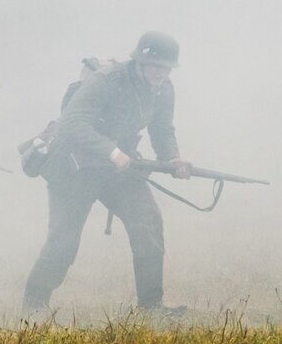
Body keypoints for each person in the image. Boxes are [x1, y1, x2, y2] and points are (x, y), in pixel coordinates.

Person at [23, 31, 191, 313]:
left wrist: (173, 158)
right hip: (73, 166)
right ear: (139, 61)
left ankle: (151, 307)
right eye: (156, 66)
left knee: (148, 223)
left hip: (118, 168)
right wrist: (111, 151)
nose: (161, 73)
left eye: (167, 67)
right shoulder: (106, 81)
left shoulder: (164, 88)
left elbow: (162, 130)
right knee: (63, 242)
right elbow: (72, 123)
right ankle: (33, 307)